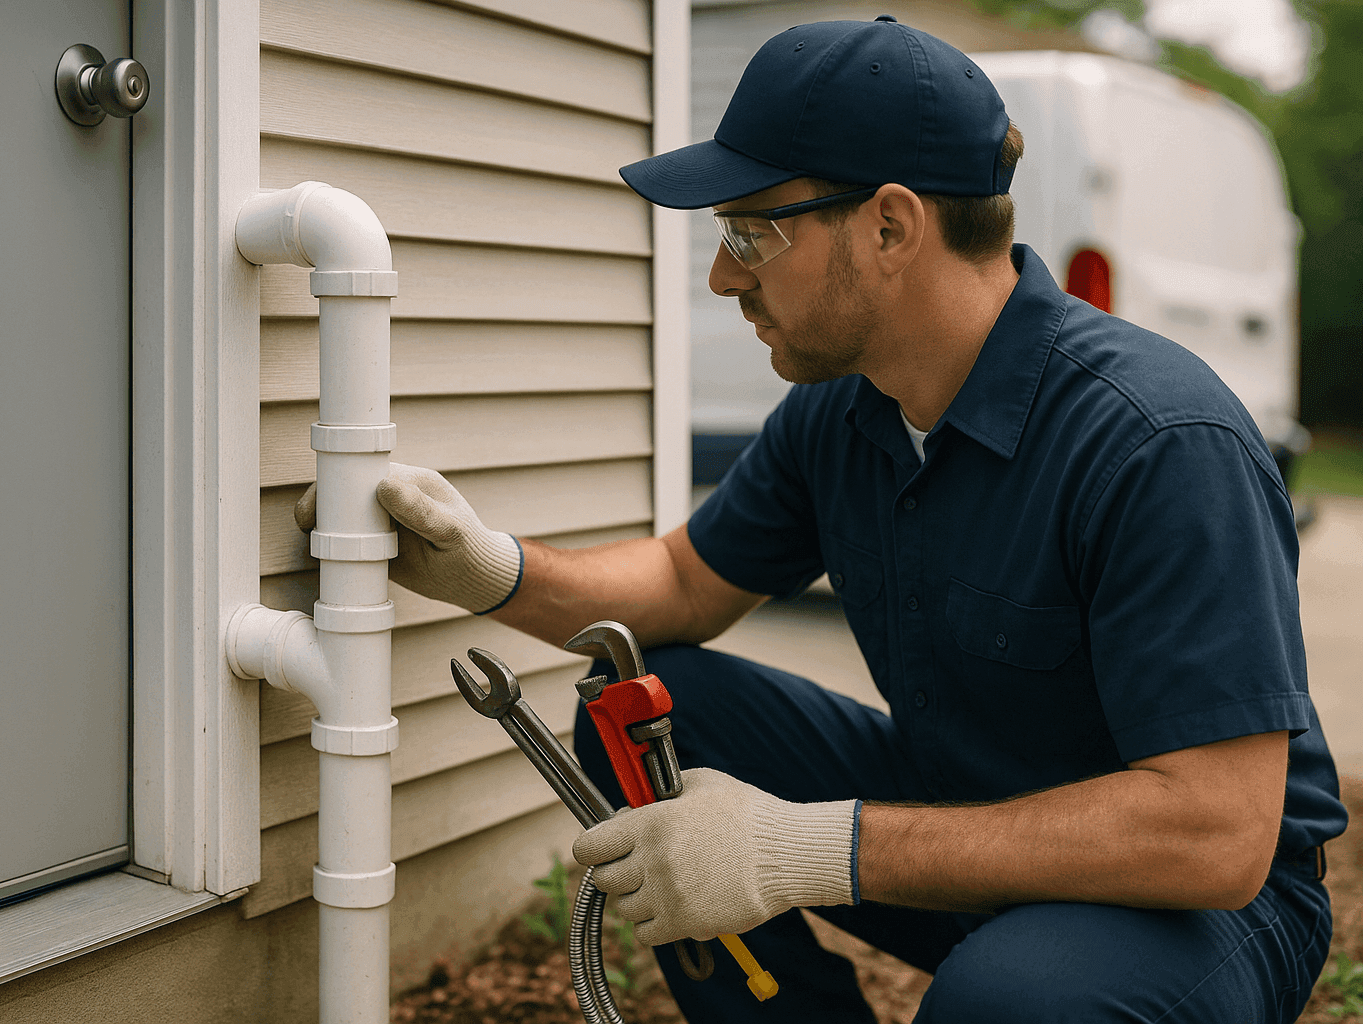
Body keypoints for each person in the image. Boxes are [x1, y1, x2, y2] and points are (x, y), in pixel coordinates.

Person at [300, 17, 1346, 1022]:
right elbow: (684, 586)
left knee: (1012, 1004)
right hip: (968, 817)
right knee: (653, 708)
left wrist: (797, 848)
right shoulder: (844, 414)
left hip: (1200, 905)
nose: (721, 276)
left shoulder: (1157, 442)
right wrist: (487, 568)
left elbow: (1216, 833)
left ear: (890, 226)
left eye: (753, 231)